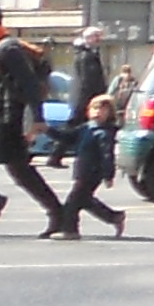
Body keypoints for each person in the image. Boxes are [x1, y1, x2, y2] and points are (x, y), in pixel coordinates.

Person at [0, 5, 64, 236]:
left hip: (5, 118)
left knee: (20, 171)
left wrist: (37, 117)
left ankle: (58, 214)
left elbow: (29, 85)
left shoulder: (8, 49)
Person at [46, 77, 128, 240]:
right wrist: (48, 130)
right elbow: (67, 137)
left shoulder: (103, 133)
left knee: (72, 203)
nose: (98, 112)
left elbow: (107, 155)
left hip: (93, 173)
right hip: (82, 170)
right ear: (88, 111)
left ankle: (70, 230)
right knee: (85, 200)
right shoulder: (86, 128)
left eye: (103, 109)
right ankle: (113, 217)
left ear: (109, 114)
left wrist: (108, 174)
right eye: (95, 108)